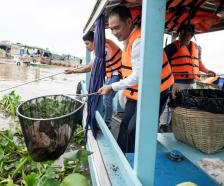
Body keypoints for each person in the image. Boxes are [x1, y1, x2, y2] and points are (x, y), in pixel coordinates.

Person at [97, 5, 174, 153]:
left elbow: (139, 75)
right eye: (111, 29)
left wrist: (111, 87)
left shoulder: (139, 41)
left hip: (156, 91)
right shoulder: (128, 39)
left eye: (117, 28)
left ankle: (133, 163)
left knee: (135, 129)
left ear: (129, 23)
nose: (114, 33)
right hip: (137, 92)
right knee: (125, 124)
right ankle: (121, 156)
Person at [159, 24, 216, 130]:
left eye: (186, 34)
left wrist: (207, 71)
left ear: (191, 35)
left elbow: (198, 63)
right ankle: (163, 124)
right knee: (170, 103)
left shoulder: (197, 48)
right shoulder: (172, 47)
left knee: (188, 104)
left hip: (192, 82)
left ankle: (184, 124)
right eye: (181, 34)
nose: (183, 36)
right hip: (176, 82)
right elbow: (161, 59)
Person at [65, 31, 122, 127]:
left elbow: (88, 68)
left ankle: (106, 124)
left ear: (95, 42)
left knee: (107, 98)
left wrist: (73, 71)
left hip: (118, 73)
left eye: (87, 43)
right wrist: (73, 70)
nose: (86, 46)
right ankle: (103, 119)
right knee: (104, 96)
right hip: (111, 74)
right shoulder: (99, 49)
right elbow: (89, 65)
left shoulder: (103, 49)